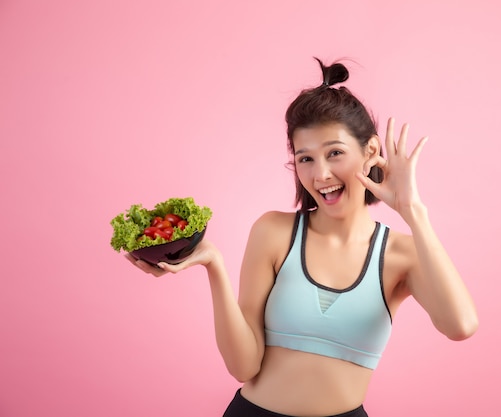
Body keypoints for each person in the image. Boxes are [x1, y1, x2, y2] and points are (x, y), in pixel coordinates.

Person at [127, 57, 479, 417]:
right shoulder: (274, 232)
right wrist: (214, 265)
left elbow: (461, 325)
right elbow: (244, 366)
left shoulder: (401, 255)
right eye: (305, 159)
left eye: (335, 153)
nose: (321, 174)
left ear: (371, 151)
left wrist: (413, 212)